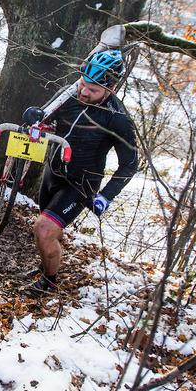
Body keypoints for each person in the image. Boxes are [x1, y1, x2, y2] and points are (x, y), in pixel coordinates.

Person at [22, 49, 139, 296]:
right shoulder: (70, 94)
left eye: (93, 90)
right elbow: (44, 117)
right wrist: (33, 115)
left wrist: (106, 196)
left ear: (112, 89)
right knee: (45, 231)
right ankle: (45, 265)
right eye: (83, 85)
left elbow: (129, 163)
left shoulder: (118, 118)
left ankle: (49, 282)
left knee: (43, 229)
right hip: (53, 171)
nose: (84, 92)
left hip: (81, 183)